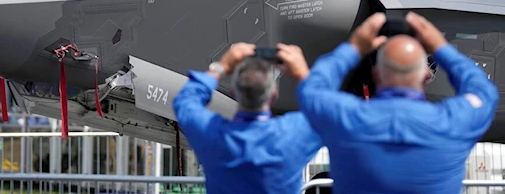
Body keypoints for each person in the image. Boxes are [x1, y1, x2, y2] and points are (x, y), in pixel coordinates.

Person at [291, 12, 499, 194]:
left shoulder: (348, 119)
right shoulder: (452, 123)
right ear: (426, 75)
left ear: (375, 74)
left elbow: (312, 89)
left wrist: (354, 48)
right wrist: (440, 47)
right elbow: (484, 92)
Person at [173, 43, 322, 194]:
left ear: (233, 93)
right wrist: (302, 73)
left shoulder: (213, 134)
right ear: (274, 95)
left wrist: (222, 66)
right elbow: (326, 111)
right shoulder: (293, 135)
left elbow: (185, 102)